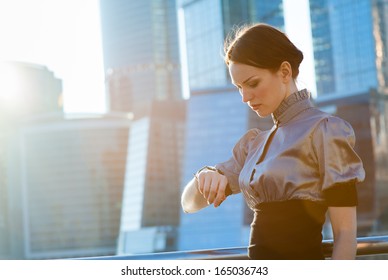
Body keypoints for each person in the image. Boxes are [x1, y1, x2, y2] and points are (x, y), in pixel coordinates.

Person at [181, 23, 365, 260]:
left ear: (285, 72)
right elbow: (189, 203)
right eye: (239, 88)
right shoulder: (254, 145)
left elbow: (346, 234)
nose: (245, 97)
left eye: (252, 83)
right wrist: (205, 175)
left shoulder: (326, 130)